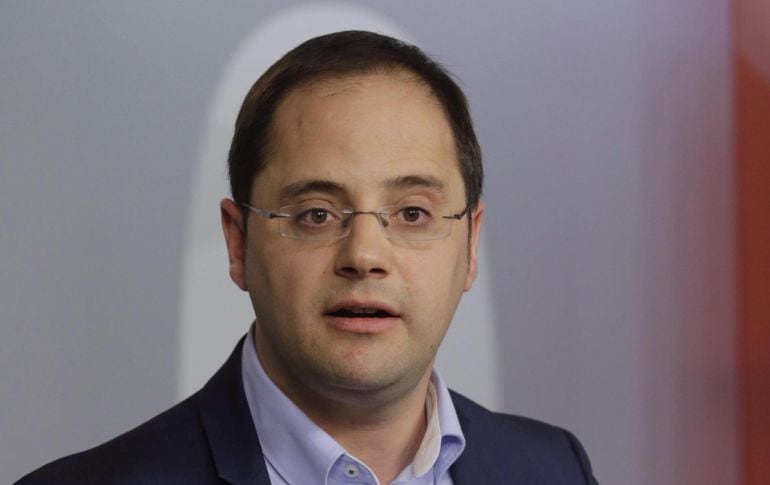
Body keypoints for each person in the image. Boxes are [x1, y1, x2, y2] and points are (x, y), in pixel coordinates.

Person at [17, 31, 598, 484]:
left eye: (413, 214)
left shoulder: (552, 468)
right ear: (238, 241)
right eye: (317, 214)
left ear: (470, 246)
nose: (365, 255)